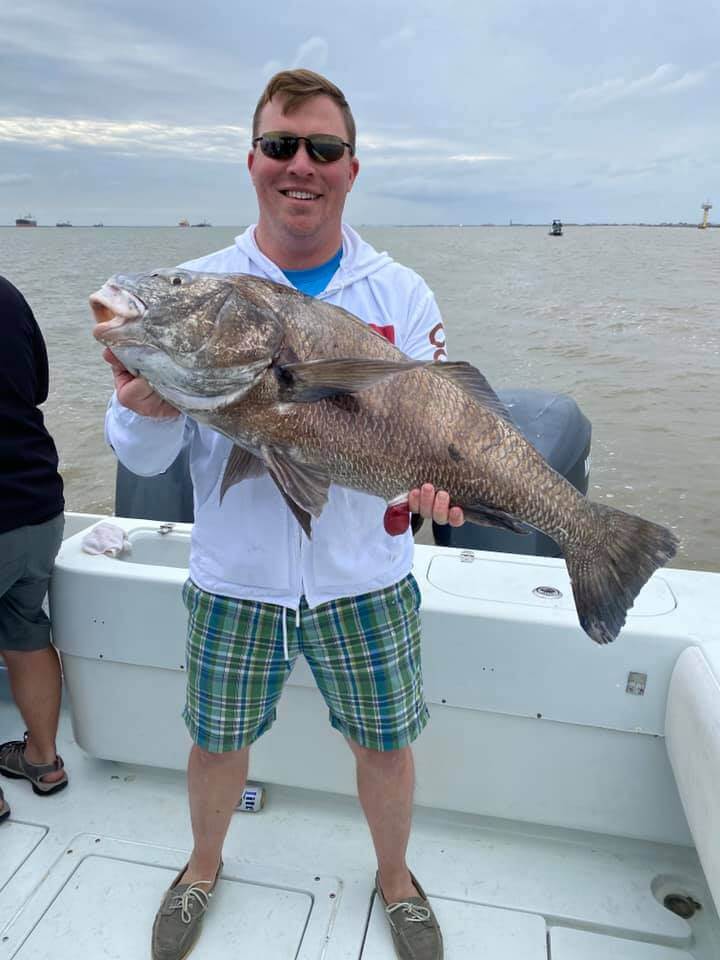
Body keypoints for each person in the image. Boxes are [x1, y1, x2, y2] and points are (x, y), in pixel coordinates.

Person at [102, 69, 463, 960]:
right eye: (280, 146)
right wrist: (141, 407)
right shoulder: (203, 289)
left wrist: (436, 497)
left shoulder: (400, 295)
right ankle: (200, 868)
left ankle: (395, 881)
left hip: (366, 580)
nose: (300, 165)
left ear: (351, 167)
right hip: (236, 583)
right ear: (253, 160)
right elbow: (143, 460)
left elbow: (445, 428)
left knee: (384, 745)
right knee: (216, 742)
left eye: (323, 149)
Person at [0, 276, 68, 826]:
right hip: (37, 502)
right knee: (26, 627)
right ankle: (43, 760)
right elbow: (38, 386)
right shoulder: (7, 294)